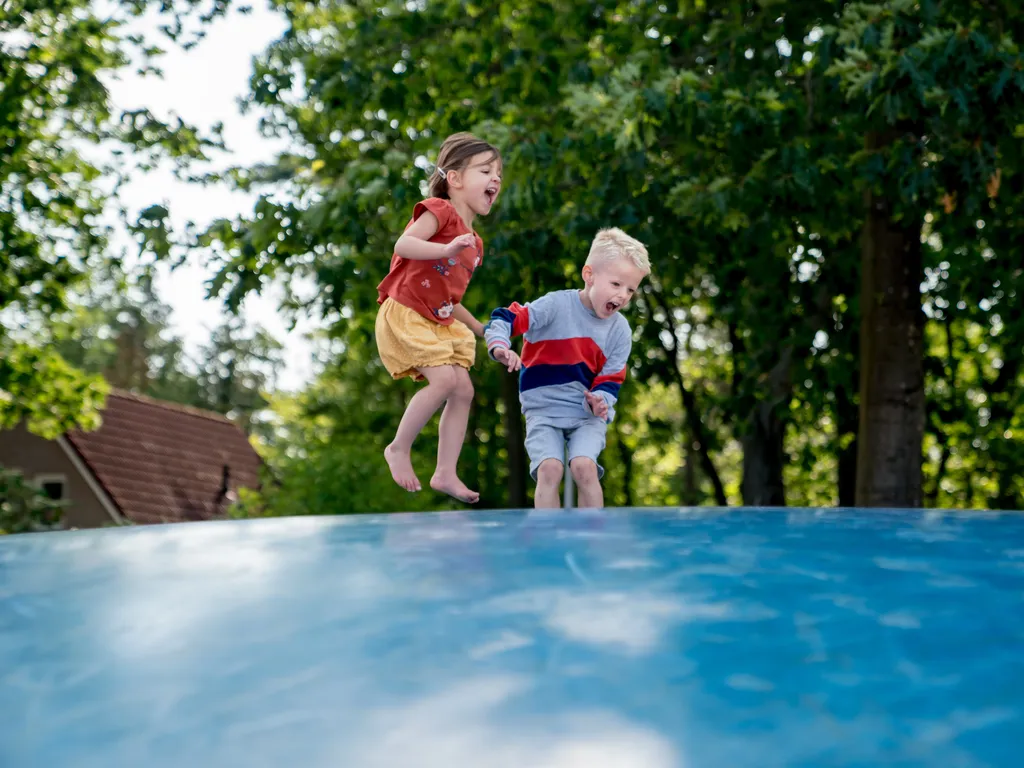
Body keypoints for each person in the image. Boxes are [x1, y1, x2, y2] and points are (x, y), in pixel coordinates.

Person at [375, 132, 502, 504]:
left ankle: (445, 472)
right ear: (455, 179)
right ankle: (398, 448)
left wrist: (479, 328)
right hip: (405, 311)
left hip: (436, 318)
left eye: (498, 173)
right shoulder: (440, 211)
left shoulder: (474, 244)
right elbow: (404, 245)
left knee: (463, 389)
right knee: (445, 380)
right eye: (485, 170)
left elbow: (448, 299)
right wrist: (445, 247)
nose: (495, 179)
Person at [484, 227, 650, 508]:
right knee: (550, 469)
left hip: (586, 415)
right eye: (616, 284)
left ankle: (591, 536)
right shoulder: (555, 305)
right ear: (589, 275)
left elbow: (611, 380)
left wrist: (601, 401)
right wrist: (500, 346)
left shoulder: (620, 330)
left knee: (584, 467)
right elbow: (506, 318)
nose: (622, 295)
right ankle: (550, 540)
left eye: (630, 289)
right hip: (544, 411)